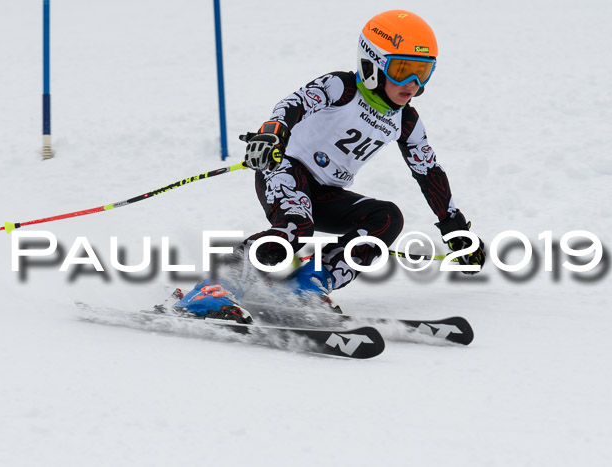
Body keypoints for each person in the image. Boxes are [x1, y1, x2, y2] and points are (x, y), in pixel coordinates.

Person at [174, 10, 486, 322]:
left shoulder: (406, 120)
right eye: (402, 70)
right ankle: (211, 289)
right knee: (296, 226)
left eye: (423, 72)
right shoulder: (342, 87)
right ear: (372, 64)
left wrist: (454, 227)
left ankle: (305, 287)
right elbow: (293, 104)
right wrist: (272, 134)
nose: (413, 84)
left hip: (325, 192)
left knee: (386, 218)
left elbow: (428, 170)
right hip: (284, 167)